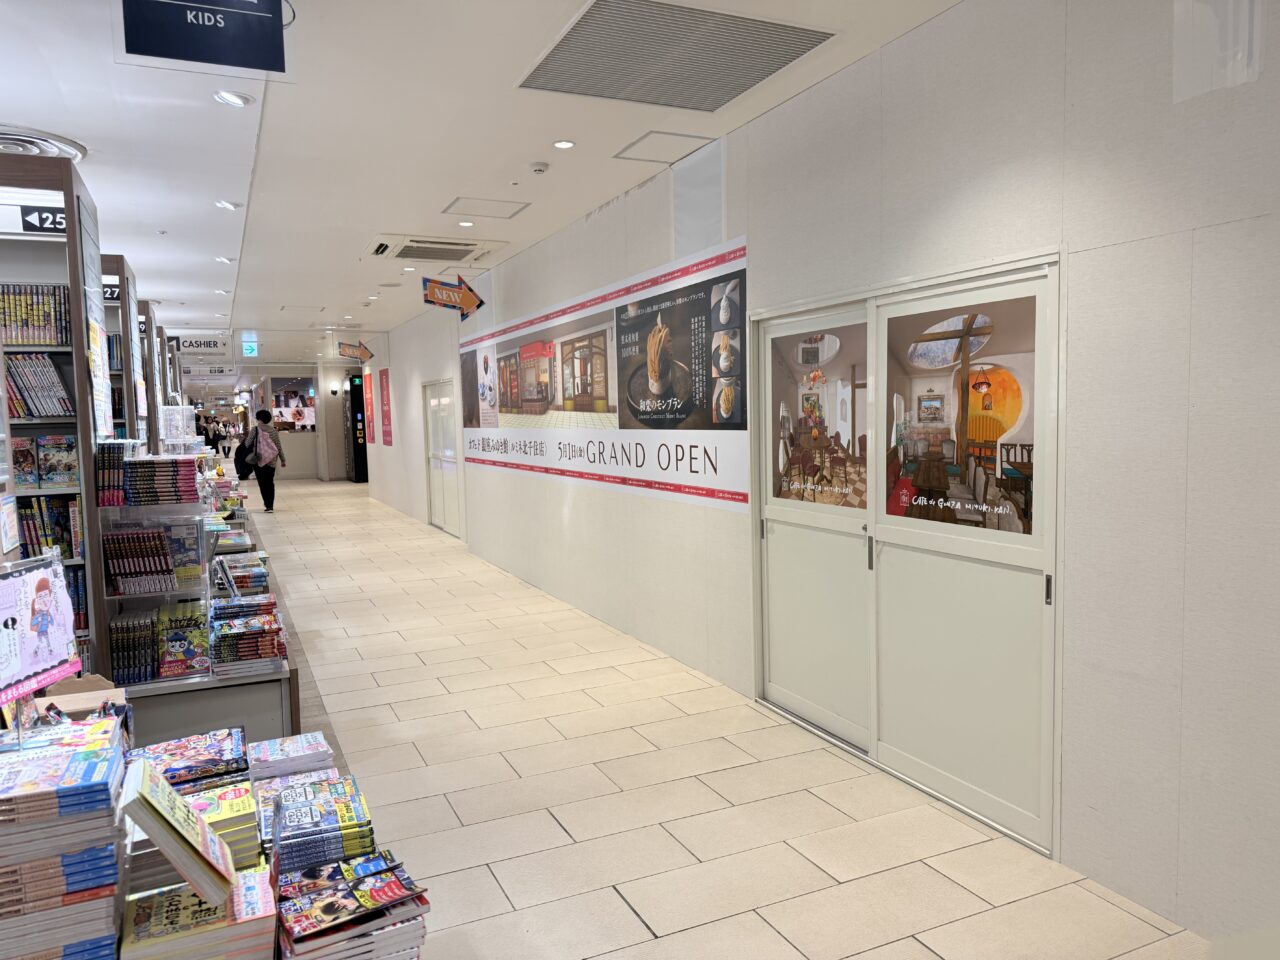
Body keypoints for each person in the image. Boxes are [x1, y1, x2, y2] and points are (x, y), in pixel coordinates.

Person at [247, 409, 286, 513]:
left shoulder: (255, 430)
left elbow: (247, 444)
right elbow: (278, 446)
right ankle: (271, 505)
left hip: (258, 460)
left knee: (262, 483)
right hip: (271, 460)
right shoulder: (273, 430)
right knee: (270, 482)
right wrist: (283, 459)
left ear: (259, 419)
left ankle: (267, 504)